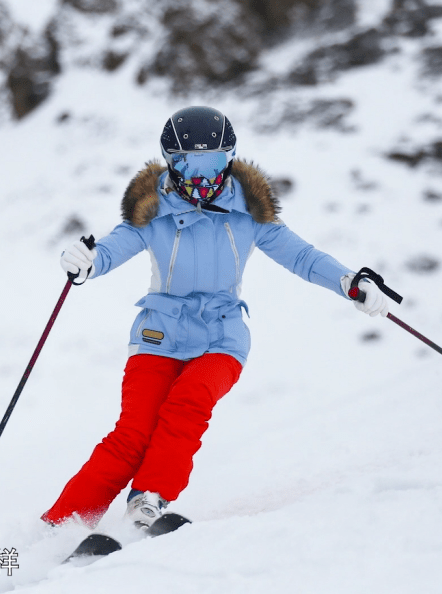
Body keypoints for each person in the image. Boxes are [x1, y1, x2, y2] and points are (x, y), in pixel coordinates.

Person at [42, 106, 388, 531]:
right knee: (133, 434)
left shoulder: (251, 214)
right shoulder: (151, 213)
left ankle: (148, 500)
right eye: (191, 164)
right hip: (158, 333)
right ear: (172, 162)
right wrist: (88, 262)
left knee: (188, 404)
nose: (203, 178)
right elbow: (114, 246)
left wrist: (349, 282)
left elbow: (301, 256)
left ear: (230, 158)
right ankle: (60, 528)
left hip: (222, 337)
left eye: (215, 162)